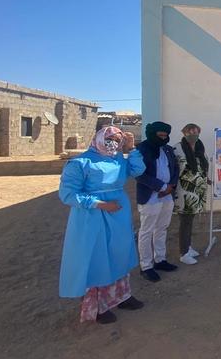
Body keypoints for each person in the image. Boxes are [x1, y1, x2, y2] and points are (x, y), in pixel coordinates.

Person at [58, 126, 146, 324]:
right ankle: (98, 307)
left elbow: (139, 170)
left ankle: (122, 296)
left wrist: (132, 149)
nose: (113, 142)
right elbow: (68, 194)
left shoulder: (118, 159)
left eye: (118, 139)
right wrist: (101, 204)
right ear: (99, 137)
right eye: (110, 138)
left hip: (118, 215)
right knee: (98, 259)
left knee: (119, 253)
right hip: (92, 218)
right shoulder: (80, 162)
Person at [135, 121, 179, 282]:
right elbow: (139, 174)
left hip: (167, 194)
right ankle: (146, 266)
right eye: (160, 135)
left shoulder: (167, 149)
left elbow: (175, 168)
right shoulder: (141, 149)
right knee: (146, 231)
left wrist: (170, 186)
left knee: (162, 228)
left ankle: (160, 259)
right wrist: (161, 187)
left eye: (165, 135)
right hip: (150, 195)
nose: (163, 138)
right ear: (152, 134)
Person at [173, 123, 210, 265]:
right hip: (185, 190)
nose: (193, 133)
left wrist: (207, 179)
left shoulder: (200, 148)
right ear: (184, 133)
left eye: (196, 131)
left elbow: (202, 167)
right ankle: (183, 253)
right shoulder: (177, 148)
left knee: (190, 220)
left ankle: (188, 247)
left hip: (198, 190)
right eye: (190, 131)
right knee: (185, 222)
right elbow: (174, 169)